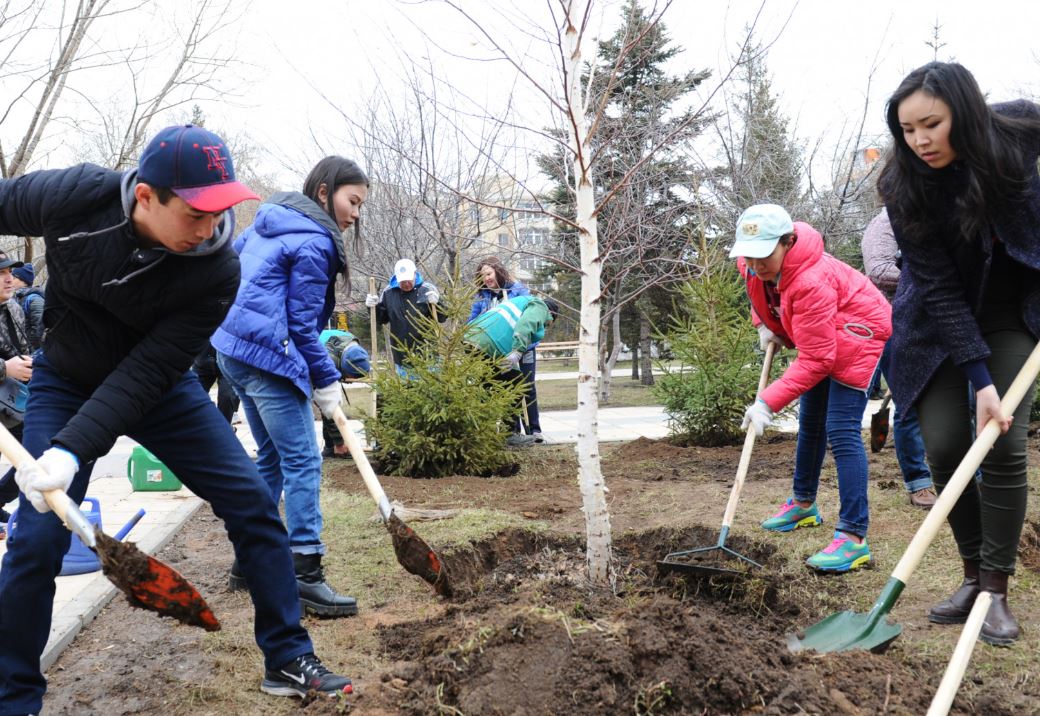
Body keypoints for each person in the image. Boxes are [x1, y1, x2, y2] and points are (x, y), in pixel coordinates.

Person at [0, 124, 353, 712]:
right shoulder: (77, 196)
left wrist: (71, 449)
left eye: (220, 212)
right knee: (37, 539)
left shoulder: (216, 270)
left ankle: (287, 656)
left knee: (252, 501)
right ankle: (14, 697)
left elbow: (145, 373)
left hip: (159, 388)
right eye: (195, 213)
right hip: (65, 379)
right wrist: (65, 442)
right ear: (145, 196)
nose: (210, 228)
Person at [878, 62, 1040, 646]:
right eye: (908, 129)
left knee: (1001, 440)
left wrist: (993, 389)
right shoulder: (902, 184)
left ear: (963, 114)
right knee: (944, 443)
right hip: (938, 322)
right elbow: (938, 288)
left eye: (932, 124)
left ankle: (996, 590)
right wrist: (978, 377)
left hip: (1013, 312)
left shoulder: (1016, 134)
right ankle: (971, 574)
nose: (920, 140)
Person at [212, 156, 367, 620]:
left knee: (274, 460)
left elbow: (229, 275)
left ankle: (248, 560)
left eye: (361, 205)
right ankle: (305, 571)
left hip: (233, 352)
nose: (356, 213)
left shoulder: (267, 222)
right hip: (268, 359)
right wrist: (326, 379)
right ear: (324, 192)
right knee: (301, 461)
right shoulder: (316, 240)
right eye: (352, 200)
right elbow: (301, 326)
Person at [732, 203, 891, 573]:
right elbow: (755, 288)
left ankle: (853, 539)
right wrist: (763, 324)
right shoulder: (754, 263)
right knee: (811, 422)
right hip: (824, 336)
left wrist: (767, 403)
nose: (755, 264)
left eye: (763, 256)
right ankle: (803, 506)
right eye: (749, 256)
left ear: (787, 242)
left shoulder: (810, 281)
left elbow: (819, 359)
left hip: (858, 334)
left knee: (841, 430)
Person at [861, 208, 937, 509]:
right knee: (910, 405)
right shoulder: (884, 223)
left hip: (939, 320)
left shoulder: (934, 217)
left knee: (965, 401)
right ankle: (919, 482)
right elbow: (877, 270)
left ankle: (970, 473)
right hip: (896, 323)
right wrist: (928, 276)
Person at [465, 295, 558, 447]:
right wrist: (518, 350)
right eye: (548, 325)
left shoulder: (519, 301)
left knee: (487, 387)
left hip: (473, 338)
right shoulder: (540, 306)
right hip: (489, 343)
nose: (545, 326)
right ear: (552, 315)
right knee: (516, 384)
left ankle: (482, 433)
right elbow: (527, 324)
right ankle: (509, 435)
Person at [468, 257, 544, 441]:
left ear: (498, 272)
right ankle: (514, 432)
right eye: (482, 275)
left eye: (489, 273)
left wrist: (522, 348)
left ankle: (534, 430)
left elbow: (530, 318)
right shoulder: (482, 298)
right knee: (509, 387)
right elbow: (471, 323)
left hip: (523, 348)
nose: (486, 278)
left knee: (526, 386)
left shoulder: (517, 290)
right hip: (498, 351)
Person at [0, 251, 33, 535]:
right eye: (0, 273)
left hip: (13, 401)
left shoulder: (14, 307)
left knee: (34, 452)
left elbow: (22, 347)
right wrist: (4, 368)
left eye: (9, 271)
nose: (8, 278)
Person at [365, 258, 444, 375]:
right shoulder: (388, 293)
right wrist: (372, 307)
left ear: (414, 274)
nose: (406, 284)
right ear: (396, 278)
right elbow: (381, 319)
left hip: (428, 355)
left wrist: (438, 304)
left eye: (408, 280)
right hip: (402, 357)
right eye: (402, 281)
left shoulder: (427, 290)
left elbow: (442, 318)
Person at [318, 329, 371, 459]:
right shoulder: (326, 361)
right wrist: (340, 444)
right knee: (329, 406)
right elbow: (328, 406)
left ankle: (330, 448)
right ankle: (334, 447)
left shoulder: (355, 351)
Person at [192, 342, 240, 424]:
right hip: (202, 361)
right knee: (193, 396)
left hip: (228, 362)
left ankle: (224, 428)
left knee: (227, 396)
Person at [10, 262, 44, 351]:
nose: (11, 280)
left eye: (14, 277)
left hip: (33, 353)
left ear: (23, 281)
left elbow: (39, 329)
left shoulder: (34, 299)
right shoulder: (17, 297)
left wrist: (29, 347)